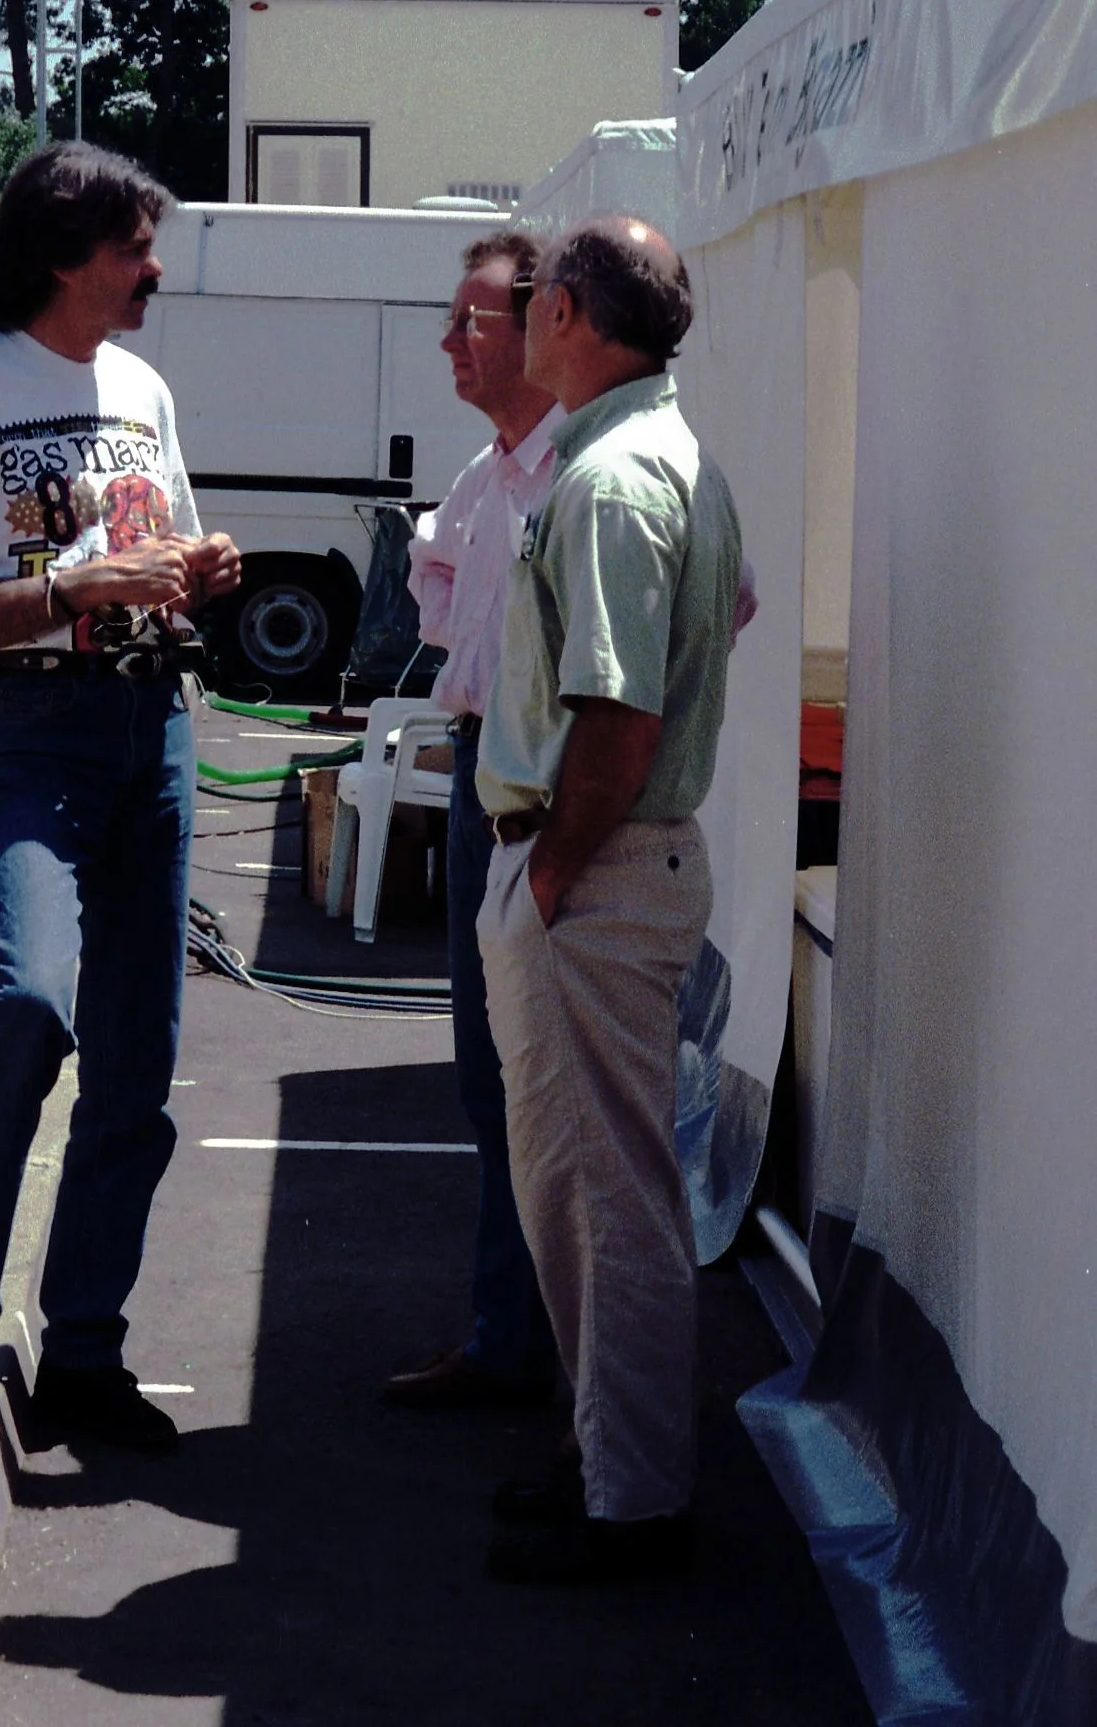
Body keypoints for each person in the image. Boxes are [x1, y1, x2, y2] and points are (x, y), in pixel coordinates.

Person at [0, 143, 240, 1452]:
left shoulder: (139, 385)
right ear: (58, 258)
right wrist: (63, 596)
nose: (152, 269)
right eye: (132, 246)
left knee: (135, 1061)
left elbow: (158, 557)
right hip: (27, 735)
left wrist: (196, 568)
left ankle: (84, 1352)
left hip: (149, 737)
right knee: (32, 1002)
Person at [473, 215, 741, 1584]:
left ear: (569, 310)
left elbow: (618, 712)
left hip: (596, 863)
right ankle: (607, 1463)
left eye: (529, 303)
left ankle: (629, 1502)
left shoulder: (611, 478)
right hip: (608, 858)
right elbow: (729, 608)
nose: (515, 323)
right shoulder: (654, 456)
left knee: (608, 1196)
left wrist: (555, 869)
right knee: (583, 1185)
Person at [384, 232, 561, 1409]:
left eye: (471, 321)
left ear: (543, 331)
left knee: (543, 1091)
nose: (451, 340)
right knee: (485, 1082)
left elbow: (723, 608)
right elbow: (433, 588)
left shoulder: (579, 474)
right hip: (481, 786)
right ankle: (511, 1335)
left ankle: (555, 1354)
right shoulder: (487, 473)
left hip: (546, 802)